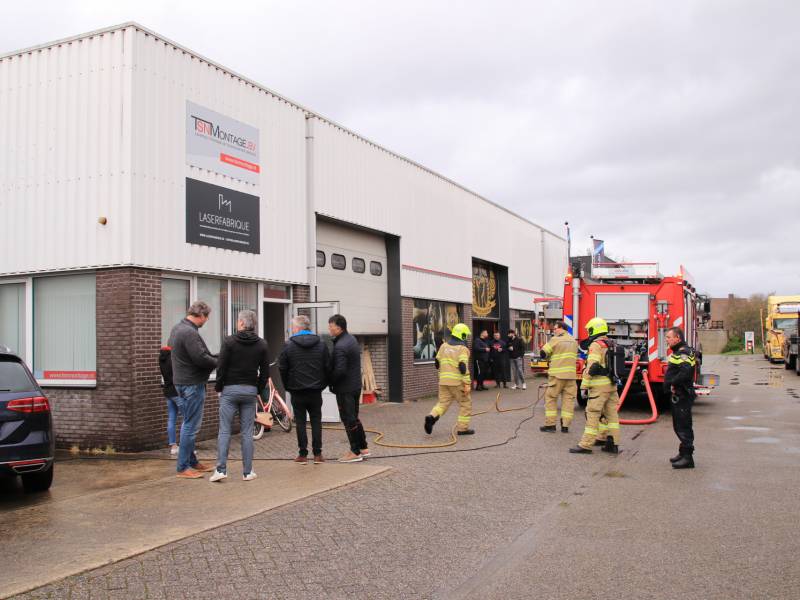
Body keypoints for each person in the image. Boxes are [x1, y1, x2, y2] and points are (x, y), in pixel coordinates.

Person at [210, 309, 270, 483]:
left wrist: (219, 387)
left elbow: (221, 367)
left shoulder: (229, 342)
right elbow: (265, 372)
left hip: (230, 390)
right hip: (250, 391)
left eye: (238, 321)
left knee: (225, 430)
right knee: (246, 432)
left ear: (242, 324)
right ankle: (247, 471)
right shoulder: (262, 345)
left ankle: (221, 469)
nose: (237, 323)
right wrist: (257, 389)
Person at [169, 301, 218, 479]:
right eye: (207, 317)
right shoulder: (189, 332)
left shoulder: (177, 328)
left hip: (181, 382)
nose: (207, 320)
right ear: (201, 315)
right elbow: (201, 358)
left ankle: (192, 461)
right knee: (191, 426)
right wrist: (219, 362)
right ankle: (183, 467)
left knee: (187, 422)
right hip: (192, 384)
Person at [279, 314, 330, 465]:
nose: (292, 329)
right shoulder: (321, 343)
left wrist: (287, 386)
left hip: (297, 390)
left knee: (300, 422)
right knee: (316, 421)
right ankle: (318, 454)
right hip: (315, 390)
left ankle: (302, 454)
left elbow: (283, 368)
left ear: (297, 328)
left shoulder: (289, 345)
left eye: (293, 327)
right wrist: (323, 384)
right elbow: (327, 366)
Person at [569, 317, 620, 455]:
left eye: (589, 330)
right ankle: (612, 443)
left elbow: (592, 365)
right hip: (611, 385)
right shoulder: (611, 343)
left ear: (595, 329)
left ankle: (586, 445)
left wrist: (584, 385)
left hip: (599, 386)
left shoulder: (596, 345)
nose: (588, 332)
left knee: (592, 413)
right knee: (611, 415)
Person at [328, 314, 369, 463]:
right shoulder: (351, 339)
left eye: (331, 326)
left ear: (338, 328)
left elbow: (340, 370)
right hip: (355, 386)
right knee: (354, 418)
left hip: (345, 388)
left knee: (348, 419)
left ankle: (355, 451)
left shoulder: (340, 346)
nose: (329, 329)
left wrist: (330, 382)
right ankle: (363, 447)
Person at [425, 323, 474, 435]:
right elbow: (463, 367)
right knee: (465, 404)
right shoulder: (463, 349)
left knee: (443, 403)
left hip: (443, 382)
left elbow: (437, 363)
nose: (466, 337)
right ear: (461, 335)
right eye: (465, 335)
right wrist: (467, 383)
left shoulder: (444, 346)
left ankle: (431, 417)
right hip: (457, 383)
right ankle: (462, 429)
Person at [663, 327, 697, 469]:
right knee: (679, 425)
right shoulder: (679, 352)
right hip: (680, 393)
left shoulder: (683, 352)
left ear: (677, 338)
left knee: (683, 426)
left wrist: (673, 383)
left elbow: (686, 372)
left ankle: (688, 458)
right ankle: (682, 453)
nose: (667, 340)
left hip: (682, 394)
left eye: (669, 337)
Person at [539, 321, 578, 433]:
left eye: (555, 329)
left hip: (557, 376)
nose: (554, 331)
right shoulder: (573, 341)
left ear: (561, 328)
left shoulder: (555, 339)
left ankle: (550, 425)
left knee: (551, 399)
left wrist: (548, 355)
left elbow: (543, 353)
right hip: (571, 377)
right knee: (568, 401)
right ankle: (565, 426)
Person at [158, 345, 181, 455]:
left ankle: (173, 446)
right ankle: (187, 448)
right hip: (177, 392)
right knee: (187, 419)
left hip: (168, 392)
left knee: (171, 419)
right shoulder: (173, 359)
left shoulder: (161, 358)